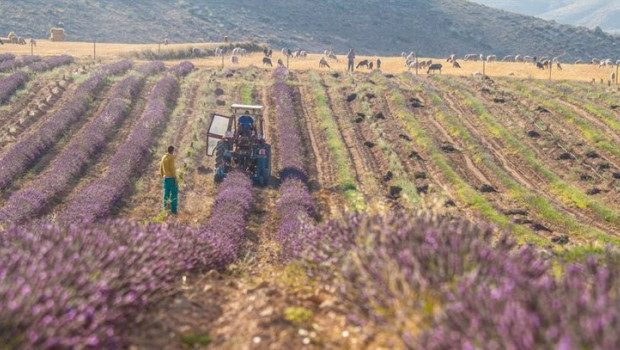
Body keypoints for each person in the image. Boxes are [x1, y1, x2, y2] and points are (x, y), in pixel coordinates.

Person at [160, 145, 178, 215]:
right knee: (174, 194)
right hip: (171, 178)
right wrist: (175, 178)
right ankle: (174, 211)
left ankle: (165, 209)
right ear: (172, 151)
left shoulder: (163, 157)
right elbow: (172, 169)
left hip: (165, 178)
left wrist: (163, 175)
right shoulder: (171, 158)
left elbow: (161, 168)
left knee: (166, 195)